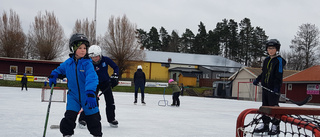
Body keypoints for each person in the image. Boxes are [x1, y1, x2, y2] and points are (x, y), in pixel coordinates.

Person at [48, 33, 102, 137]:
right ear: (73, 48)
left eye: (85, 48)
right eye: (80, 48)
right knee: (69, 117)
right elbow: (59, 70)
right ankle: (67, 134)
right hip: (73, 96)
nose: (83, 50)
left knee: (93, 120)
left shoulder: (87, 64)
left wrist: (91, 93)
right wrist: (54, 75)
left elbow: (92, 78)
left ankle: (97, 135)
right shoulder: (68, 63)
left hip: (87, 96)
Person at [78, 44, 119, 128]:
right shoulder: (88, 63)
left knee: (110, 101)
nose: (94, 59)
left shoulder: (106, 60)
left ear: (100, 55)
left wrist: (115, 75)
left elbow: (116, 67)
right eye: (92, 57)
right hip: (93, 84)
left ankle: (111, 119)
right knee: (92, 101)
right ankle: (83, 119)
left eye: (96, 57)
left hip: (105, 82)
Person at [252, 39, 286, 135]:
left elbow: (278, 75)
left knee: (273, 107)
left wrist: (276, 88)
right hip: (265, 87)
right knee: (264, 106)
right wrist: (258, 79)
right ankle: (265, 124)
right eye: (269, 48)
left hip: (273, 88)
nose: (270, 50)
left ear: (277, 49)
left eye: (273, 48)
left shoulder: (279, 61)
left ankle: (275, 125)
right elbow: (264, 72)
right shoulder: (266, 60)